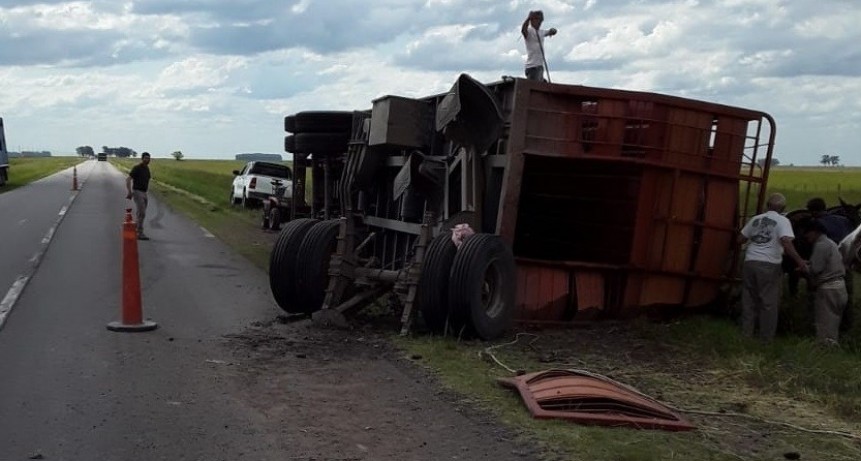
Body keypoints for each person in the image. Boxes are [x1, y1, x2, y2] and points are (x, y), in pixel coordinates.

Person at [738, 192, 808, 341]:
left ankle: (746, 335)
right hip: (769, 264)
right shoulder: (783, 221)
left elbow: (741, 239)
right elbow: (786, 242)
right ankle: (766, 338)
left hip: (750, 262)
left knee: (749, 300)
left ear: (767, 205)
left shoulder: (755, 219)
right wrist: (799, 260)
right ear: (783, 208)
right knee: (768, 303)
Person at [806, 197, 854, 331]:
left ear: (812, 212)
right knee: (846, 302)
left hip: (827, 269)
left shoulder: (816, 224)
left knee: (822, 305)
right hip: (844, 267)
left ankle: (821, 333)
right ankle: (846, 330)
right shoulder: (844, 221)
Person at [803, 219, 848, 346]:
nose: (806, 236)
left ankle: (826, 350)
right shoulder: (831, 243)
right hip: (840, 287)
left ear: (815, 232)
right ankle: (832, 347)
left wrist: (803, 267)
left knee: (824, 324)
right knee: (834, 323)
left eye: (808, 233)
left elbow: (815, 269)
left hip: (828, 288)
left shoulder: (821, 245)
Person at [521, 10, 557, 82]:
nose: (539, 22)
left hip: (539, 66)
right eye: (537, 19)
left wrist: (553, 30)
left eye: (541, 20)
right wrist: (528, 18)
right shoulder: (529, 31)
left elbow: (551, 31)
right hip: (532, 67)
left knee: (542, 83)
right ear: (532, 20)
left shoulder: (541, 32)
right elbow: (523, 30)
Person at [126, 152, 152, 240]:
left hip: (144, 192)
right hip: (137, 191)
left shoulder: (147, 169)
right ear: (142, 158)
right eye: (146, 158)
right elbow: (128, 179)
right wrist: (129, 191)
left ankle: (134, 230)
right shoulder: (137, 168)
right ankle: (139, 233)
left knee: (141, 214)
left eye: (148, 158)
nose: (147, 160)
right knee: (142, 213)